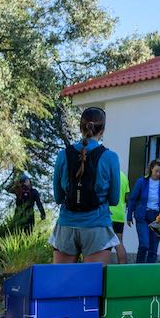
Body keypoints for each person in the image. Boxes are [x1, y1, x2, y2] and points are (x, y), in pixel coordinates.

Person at [50, 107, 122, 264]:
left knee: (62, 278)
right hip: (97, 227)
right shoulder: (110, 157)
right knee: (92, 279)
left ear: (80, 127)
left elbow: (58, 198)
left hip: (66, 226)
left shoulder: (63, 155)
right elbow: (114, 199)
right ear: (102, 130)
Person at [129, 160, 160, 263]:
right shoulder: (142, 181)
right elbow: (133, 199)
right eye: (156, 171)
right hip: (143, 216)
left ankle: (151, 270)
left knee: (153, 248)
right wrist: (129, 215)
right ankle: (139, 267)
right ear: (151, 169)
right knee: (144, 244)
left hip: (157, 218)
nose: (158, 174)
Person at [110, 170, 132, 263]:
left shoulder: (106, 173)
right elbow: (126, 197)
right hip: (119, 215)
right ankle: (122, 267)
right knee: (119, 243)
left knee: (103, 246)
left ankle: (102, 268)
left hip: (107, 214)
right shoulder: (123, 176)